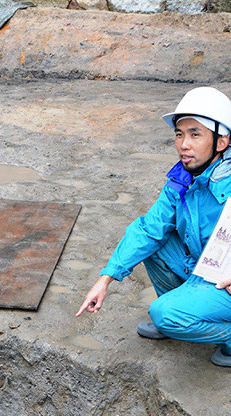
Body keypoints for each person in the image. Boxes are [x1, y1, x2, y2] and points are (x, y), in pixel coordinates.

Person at [76, 86, 231, 367]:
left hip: (227, 279)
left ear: (221, 142)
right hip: (204, 267)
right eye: (179, 134)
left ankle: (196, 324)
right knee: (153, 241)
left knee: (163, 313)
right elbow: (149, 229)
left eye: (195, 134)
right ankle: (183, 310)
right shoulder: (183, 179)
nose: (184, 144)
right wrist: (106, 278)